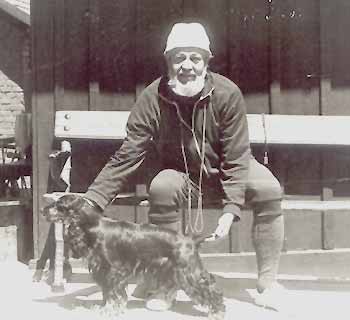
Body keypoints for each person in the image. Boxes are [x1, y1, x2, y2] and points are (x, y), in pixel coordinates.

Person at [84, 22, 288, 311]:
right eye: (179, 58)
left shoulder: (228, 93)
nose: (187, 66)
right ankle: (165, 284)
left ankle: (268, 285)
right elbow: (128, 153)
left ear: (206, 62)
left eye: (195, 58)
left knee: (268, 188)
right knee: (162, 186)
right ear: (168, 62)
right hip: (184, 175)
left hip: (229, 169)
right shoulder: (152, 97)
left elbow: (236, 156)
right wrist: (93, 201)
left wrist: (231, 209)